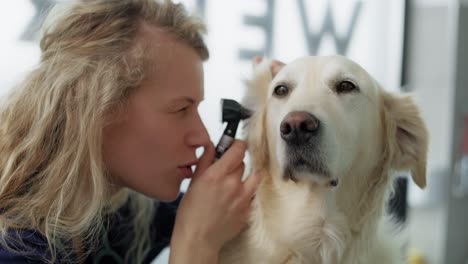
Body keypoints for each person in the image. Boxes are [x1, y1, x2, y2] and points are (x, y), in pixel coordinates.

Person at [0, 0, 263, 263]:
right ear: (98, 106)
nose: (203, 138)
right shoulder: (13, 251)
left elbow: (227, 213)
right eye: (181, 109)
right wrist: (195, 241)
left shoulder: (120, 213)